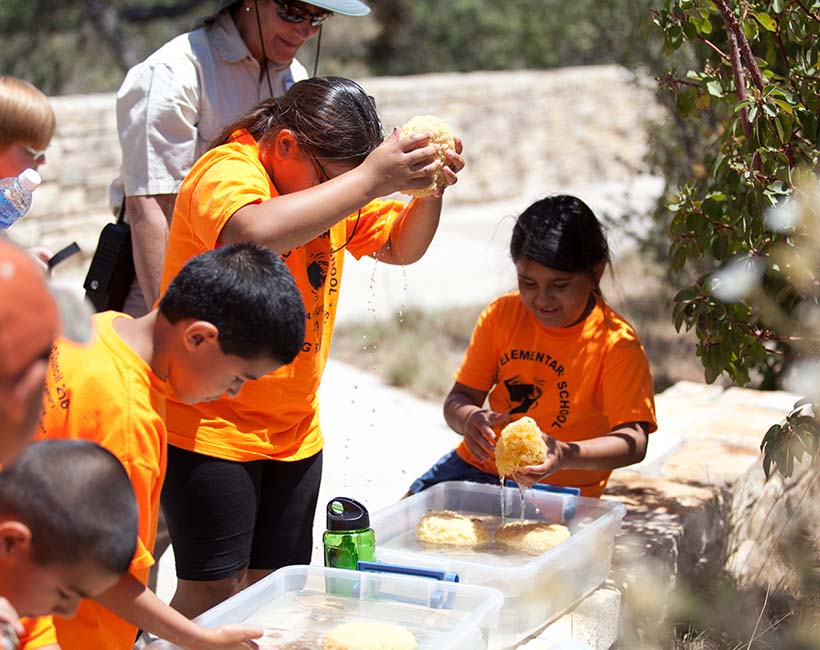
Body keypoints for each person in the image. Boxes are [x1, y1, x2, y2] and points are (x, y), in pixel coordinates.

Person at [157, 75, 464, 616]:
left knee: (275, 591)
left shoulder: (337, 187)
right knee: (212, 595)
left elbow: (400, 245)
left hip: (294, 430)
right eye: (330, 180)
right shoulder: (227, 170)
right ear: (285, 146)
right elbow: (249, 233)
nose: (339, 196)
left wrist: (429, 187)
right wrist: (368, 180)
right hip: (210, 425)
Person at [36, 244, 305, 650]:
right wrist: (198, 638)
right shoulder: (129, 423)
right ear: (199, 337)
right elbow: (103, 575)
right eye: (237, 378)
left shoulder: (101, 328)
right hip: (73, 636)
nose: (232, 393)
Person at [112, 0, 371, 316]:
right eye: (293, 12)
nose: (305, 30)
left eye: (319, 18)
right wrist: (167, 320)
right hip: (166, 274)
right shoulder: (173, 73)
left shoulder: (293, 74)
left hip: (249, 278)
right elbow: (151, 209)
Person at [408, 195, 657, 499]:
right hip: (480, 468)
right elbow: (458, 400)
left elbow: (634, 441)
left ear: (596, 273)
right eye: (528, 283)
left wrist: (565, 454)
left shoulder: (616, 344)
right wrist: (470, 419)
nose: (542, 299)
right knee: (402, 522)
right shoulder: (502, 315)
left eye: (560, 285)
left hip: (562, 486)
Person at [0, 439, 139, 650]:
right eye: (64, 594)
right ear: (10, 542)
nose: (69, 612)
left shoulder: (16, 584)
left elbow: (39, 641)